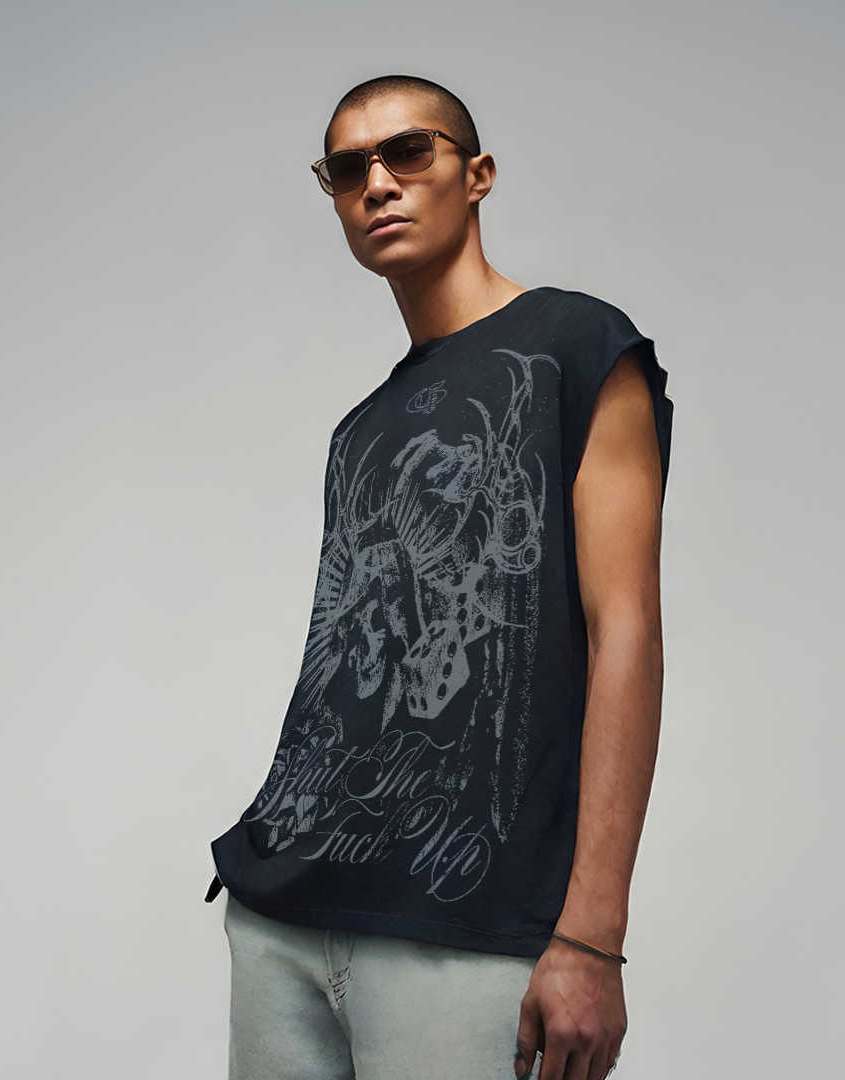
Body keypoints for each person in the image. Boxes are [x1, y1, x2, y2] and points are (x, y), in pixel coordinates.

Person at [205, 74, 672, 1080]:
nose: (377, 183)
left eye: (409, 152)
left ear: (478, 174)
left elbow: (625, 629)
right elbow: (344, 648)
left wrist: (592, 936)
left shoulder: (575, 344)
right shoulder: (359, 430)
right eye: (348, 170)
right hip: (281, 914)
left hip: (465, 923)